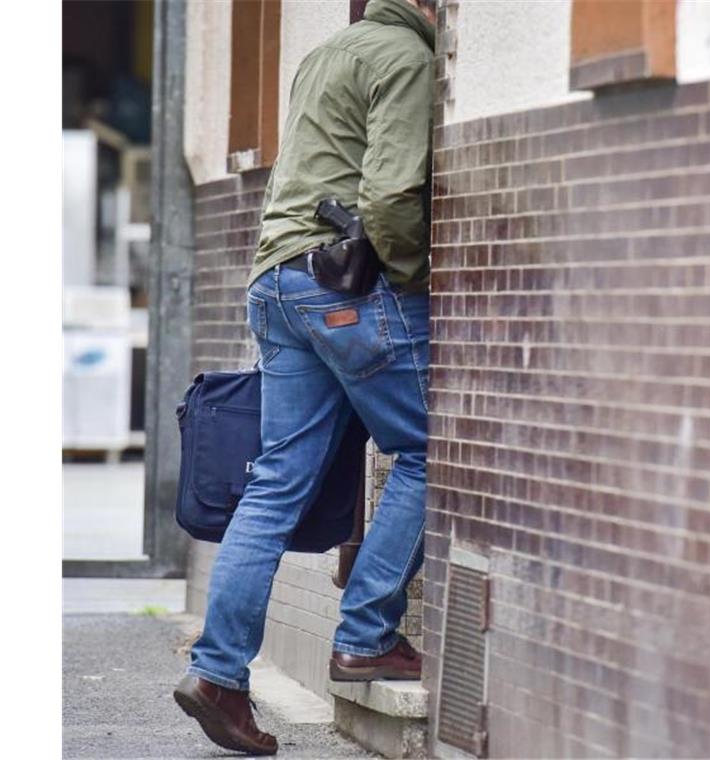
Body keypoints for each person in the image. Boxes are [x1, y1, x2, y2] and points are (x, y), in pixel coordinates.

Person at [172, 0, 437, 754]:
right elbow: (387, 196)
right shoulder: (409, 58)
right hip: (347, 288)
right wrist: (414, 280)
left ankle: (219, 672)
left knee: (277, 478)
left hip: (277, 281)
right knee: (430, 451)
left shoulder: (328, 52)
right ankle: (365, 635)